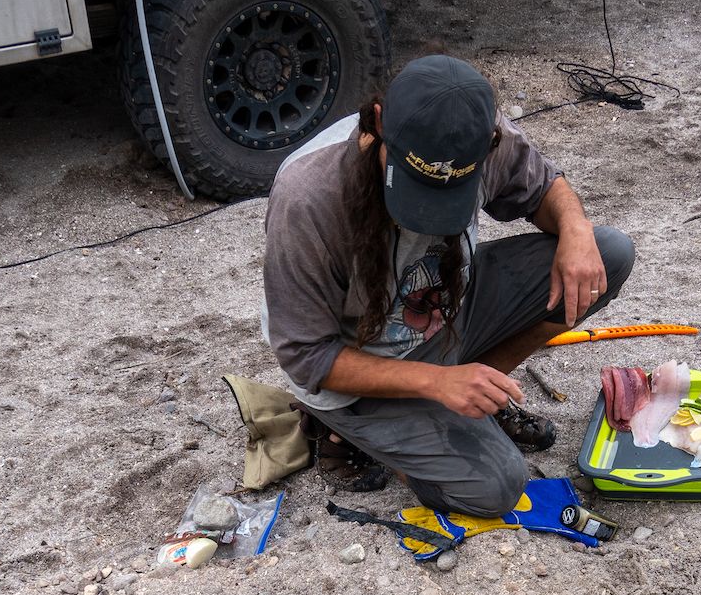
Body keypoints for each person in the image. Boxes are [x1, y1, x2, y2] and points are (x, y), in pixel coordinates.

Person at [260, 54, 636, 517]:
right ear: (378, 121)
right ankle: (342, 428)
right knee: (497, 488)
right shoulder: (308, 196)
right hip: (358, 367)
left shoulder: (474, 130)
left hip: (447, 312)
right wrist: (437, 382)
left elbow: (543, 188)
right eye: (418, 187)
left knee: (609, 253)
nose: (432, 214)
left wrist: (575, 229)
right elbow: (306, 355)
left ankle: (475, 401)